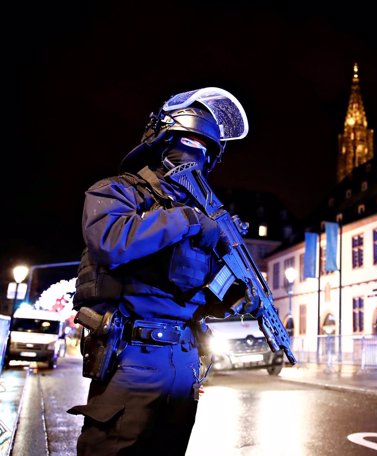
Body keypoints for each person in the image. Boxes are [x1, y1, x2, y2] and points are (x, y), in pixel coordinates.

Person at [67, 87, 254, 455]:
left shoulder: (205, 224)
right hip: (132, 355)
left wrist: (237, 290)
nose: (195, 153)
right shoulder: (118, 191)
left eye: (205, 148)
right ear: (161, 140)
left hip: (184, 361)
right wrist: (186, 219)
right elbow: (110, 241)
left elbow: (204, 297)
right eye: (188, 140)